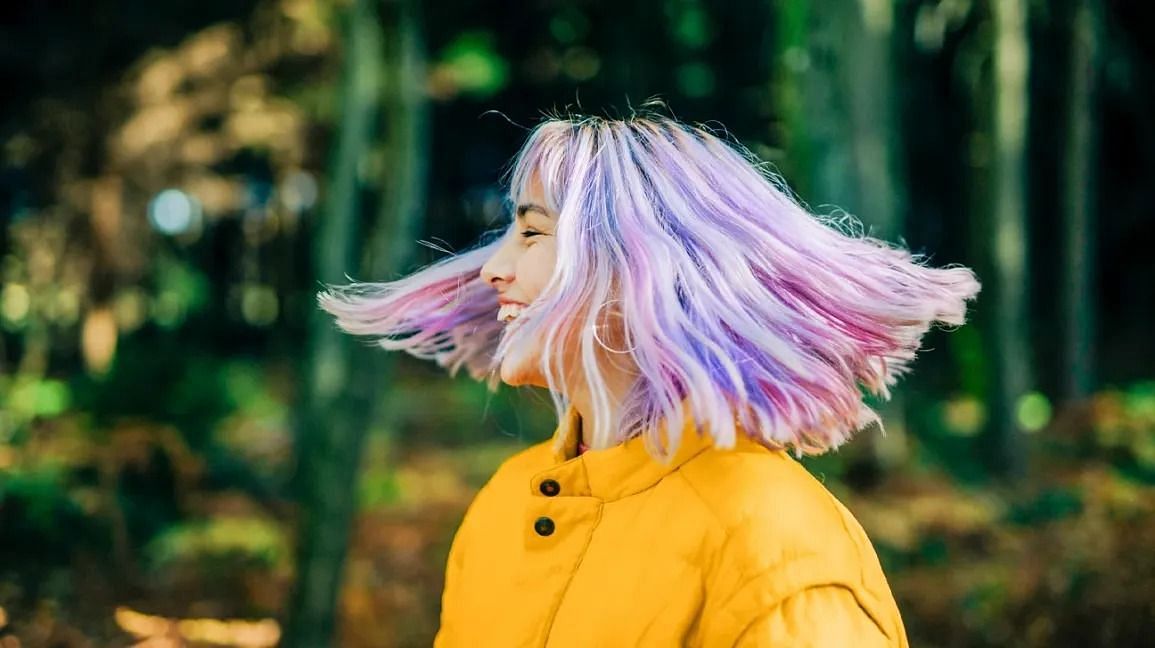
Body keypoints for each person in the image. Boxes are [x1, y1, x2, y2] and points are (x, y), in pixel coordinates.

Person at [318, 108, 980, 646]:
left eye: (531, 232)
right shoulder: (504, 502)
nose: (492, 268)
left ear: (632, 269)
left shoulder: (772, 540)